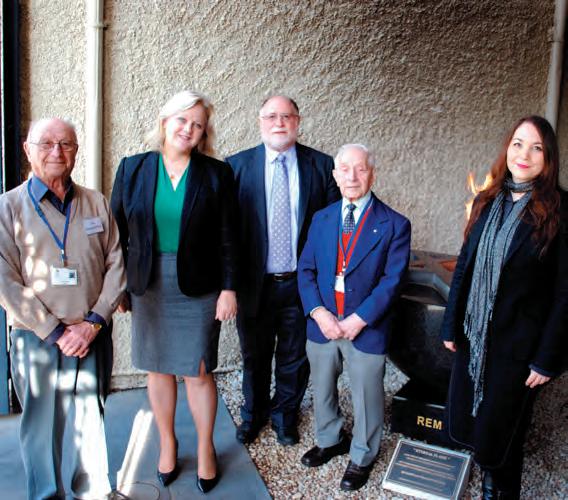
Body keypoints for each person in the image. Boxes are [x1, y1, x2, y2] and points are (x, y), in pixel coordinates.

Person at [110, 91, 237, 494]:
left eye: (197, 124)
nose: (188, 129)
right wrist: (118, 287)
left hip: (200, 286)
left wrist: (229, 288)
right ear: (165, 122)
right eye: (182, 120)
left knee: (197, 370)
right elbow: (115, 234)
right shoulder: (133, 168)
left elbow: (230, 237)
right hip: (148, 282)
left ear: (204, 133)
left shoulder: (216, 174)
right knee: (157, 367)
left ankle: (205, 447)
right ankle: (167, 443)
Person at [441, 115, 568, 500]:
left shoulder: (560, 210)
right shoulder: (487, 199)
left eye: (536, 147)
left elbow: (565, 293)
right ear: (507, 149)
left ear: (548, 157)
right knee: (476, 419)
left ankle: (501, 489)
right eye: (518, 144)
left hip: (520, 345)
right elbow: (465, 264)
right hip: (475, 336)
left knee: (506, 425)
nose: (524, 154)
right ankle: (487, 475)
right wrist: (450, 324)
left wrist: (547, 359)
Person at [0, 118, 126, 499]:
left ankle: (93, 490)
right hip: (37, 338)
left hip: (92, 334)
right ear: (28, 150)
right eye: (47, 143)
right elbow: (5, 281)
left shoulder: (95, 202)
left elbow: (116, 265)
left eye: (66, 144)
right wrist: (55, 331)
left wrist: (92, 323)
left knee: (92, 419)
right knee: (41, 428)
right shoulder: (9, 207)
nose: (57, 151)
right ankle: (46, 495)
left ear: (75, 151)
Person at [226, 95, 340, 446]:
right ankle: (253, 414)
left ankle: (285, 416)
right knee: (254, 355)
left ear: (297, 122)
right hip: (254, 283)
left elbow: (333, 229)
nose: (279, 123)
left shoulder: (321, 166)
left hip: (301, 284)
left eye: (286, 116)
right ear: (260, 122)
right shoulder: (235, 166)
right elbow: (227, 232)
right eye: (271, 116)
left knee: (295, 356)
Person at [297, 143, 411, 491]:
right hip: (323, 323)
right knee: (322, 387)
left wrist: (358, 320)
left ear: (372, 174)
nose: (352, 176)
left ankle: (362, 455)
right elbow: (306, 270)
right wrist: (319, 313)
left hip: (365, 326)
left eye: (360, 169)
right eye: (345, 169)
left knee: (366, 394)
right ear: (335, 175)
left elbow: (392, 282)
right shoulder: (322, 218)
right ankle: (330, 439)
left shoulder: (395, 224)